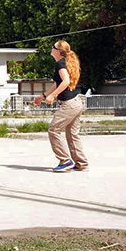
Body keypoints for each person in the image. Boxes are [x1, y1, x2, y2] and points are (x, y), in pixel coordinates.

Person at [34, 40, 87, 172]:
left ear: (57, 51)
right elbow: (58, 83)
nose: (51, 49)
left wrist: (53, 96)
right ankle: (81, 163)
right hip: (76, 102)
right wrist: (44, 96)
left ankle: (65, 160)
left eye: (53, 47)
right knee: (72, 134)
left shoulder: (60, 63)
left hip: (69, 104)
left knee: (53, 130)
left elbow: (65, 81)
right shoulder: (66, 63)